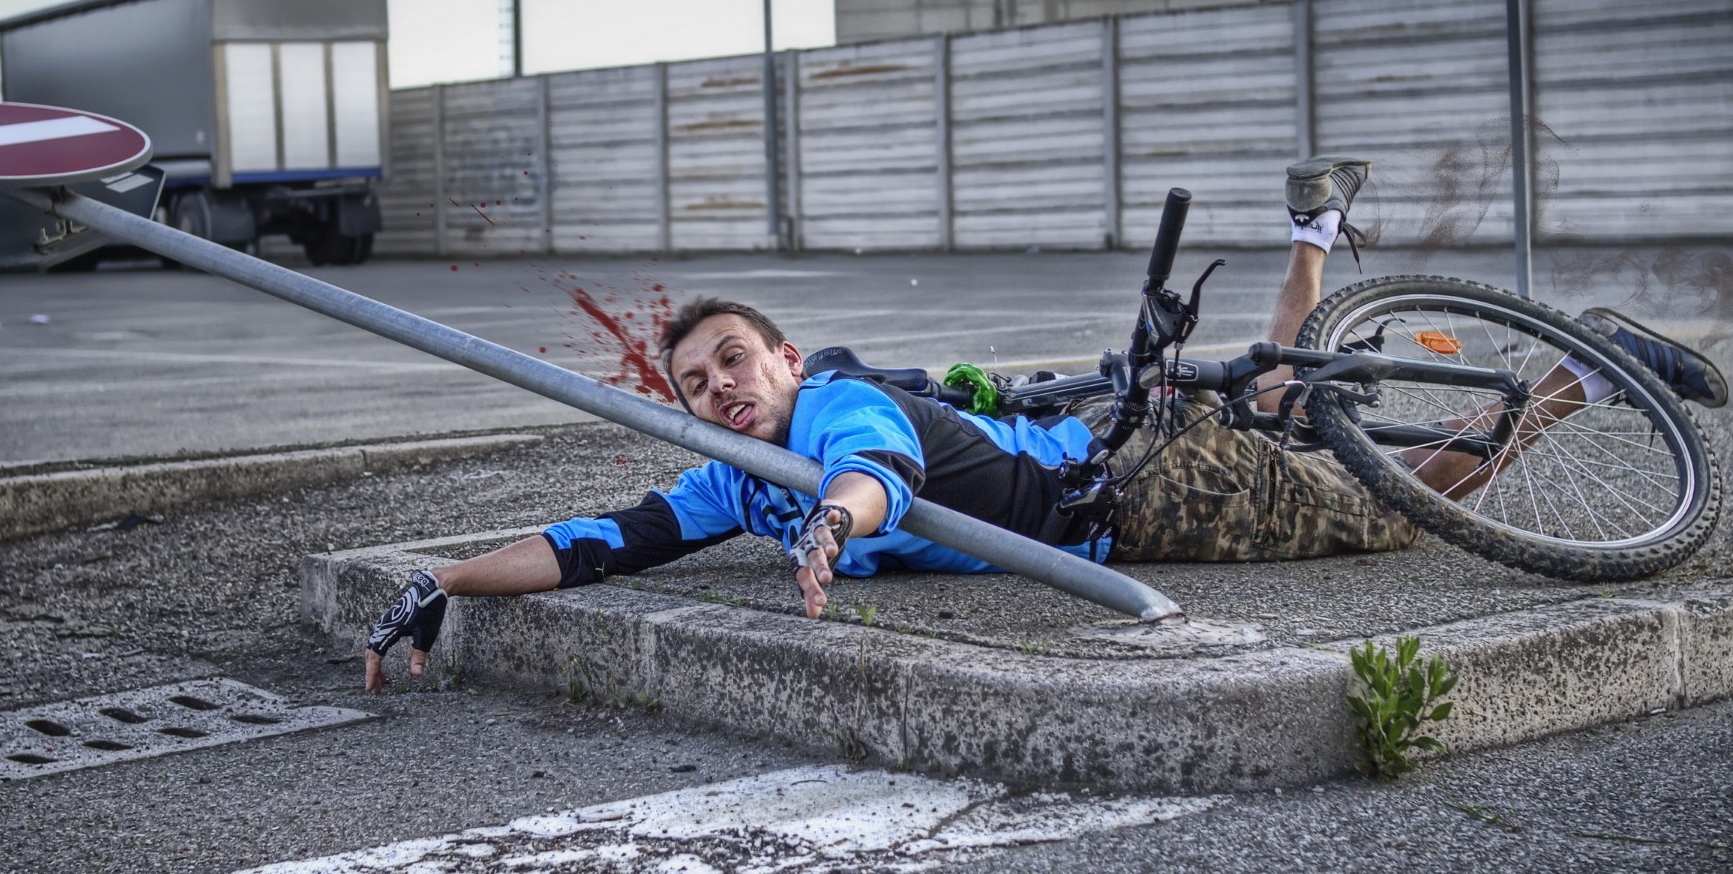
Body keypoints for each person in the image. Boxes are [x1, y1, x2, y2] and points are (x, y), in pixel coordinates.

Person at [364, 158, 1727, 693]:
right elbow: (595, 541)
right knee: (1274, 388)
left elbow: (879, 475)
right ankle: (1315, 231)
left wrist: (837, 527)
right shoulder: (733, 483)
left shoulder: (834, 411)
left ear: (781, 356)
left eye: (734, 363)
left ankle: (1579, 381)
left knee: (1386, 502)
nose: (721, 393)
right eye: (698, 388)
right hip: (1110, 439)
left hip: (1138, 493)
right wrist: (441, 584)